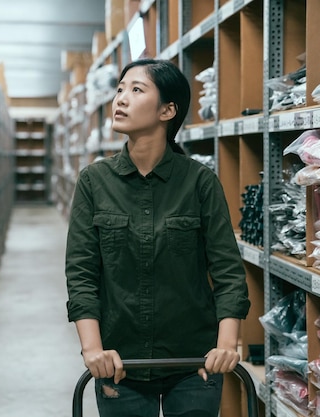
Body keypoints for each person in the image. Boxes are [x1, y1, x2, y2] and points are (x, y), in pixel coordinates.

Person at [65, 58, 251, 417]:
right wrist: (93, 350)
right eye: (120, 89)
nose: (120, 98)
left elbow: (228, 271)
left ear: (168, 110)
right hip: (120, 363)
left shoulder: (199, 182)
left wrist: (226, 346)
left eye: (136, 90)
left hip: (195, 364)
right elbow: (82, 273)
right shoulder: (94, 182)